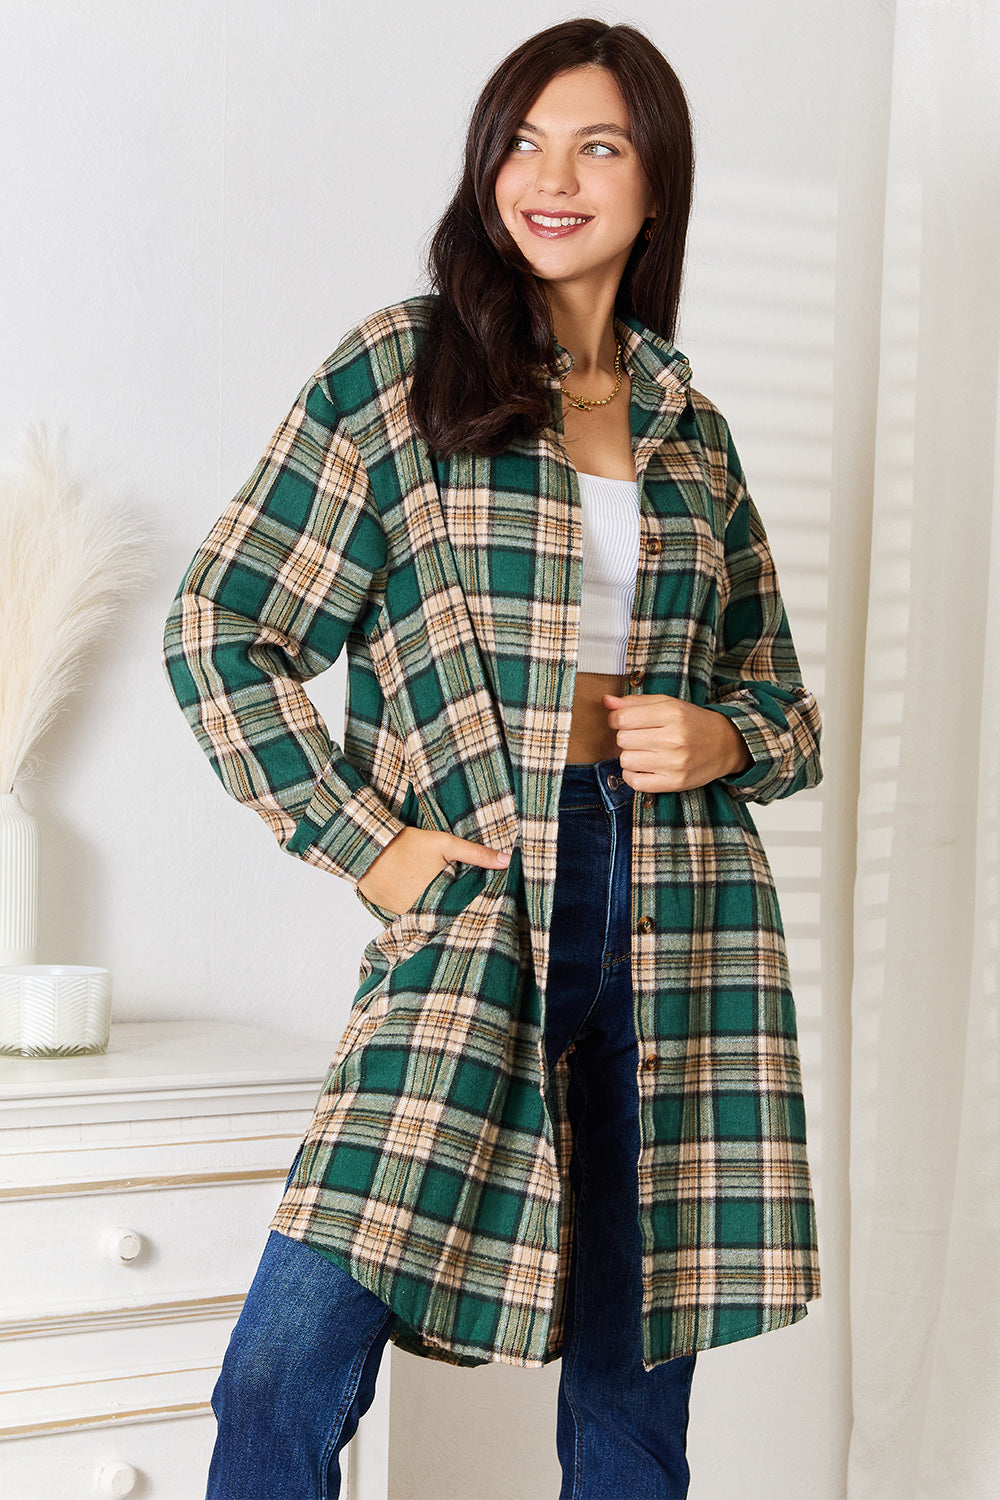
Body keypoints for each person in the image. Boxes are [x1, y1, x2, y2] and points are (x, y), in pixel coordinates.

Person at [163, 17, 823, 1499]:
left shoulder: (688, 429)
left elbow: (783, 705)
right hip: (476, 904)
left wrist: (722, 734)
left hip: (679, 922)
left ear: (659, 184)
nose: (554, 176)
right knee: (285, 1364)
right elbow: (221, 628)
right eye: (523, 140)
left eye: (599, 144)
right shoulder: (403, 367)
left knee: (634, 1404)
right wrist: (367, 845)